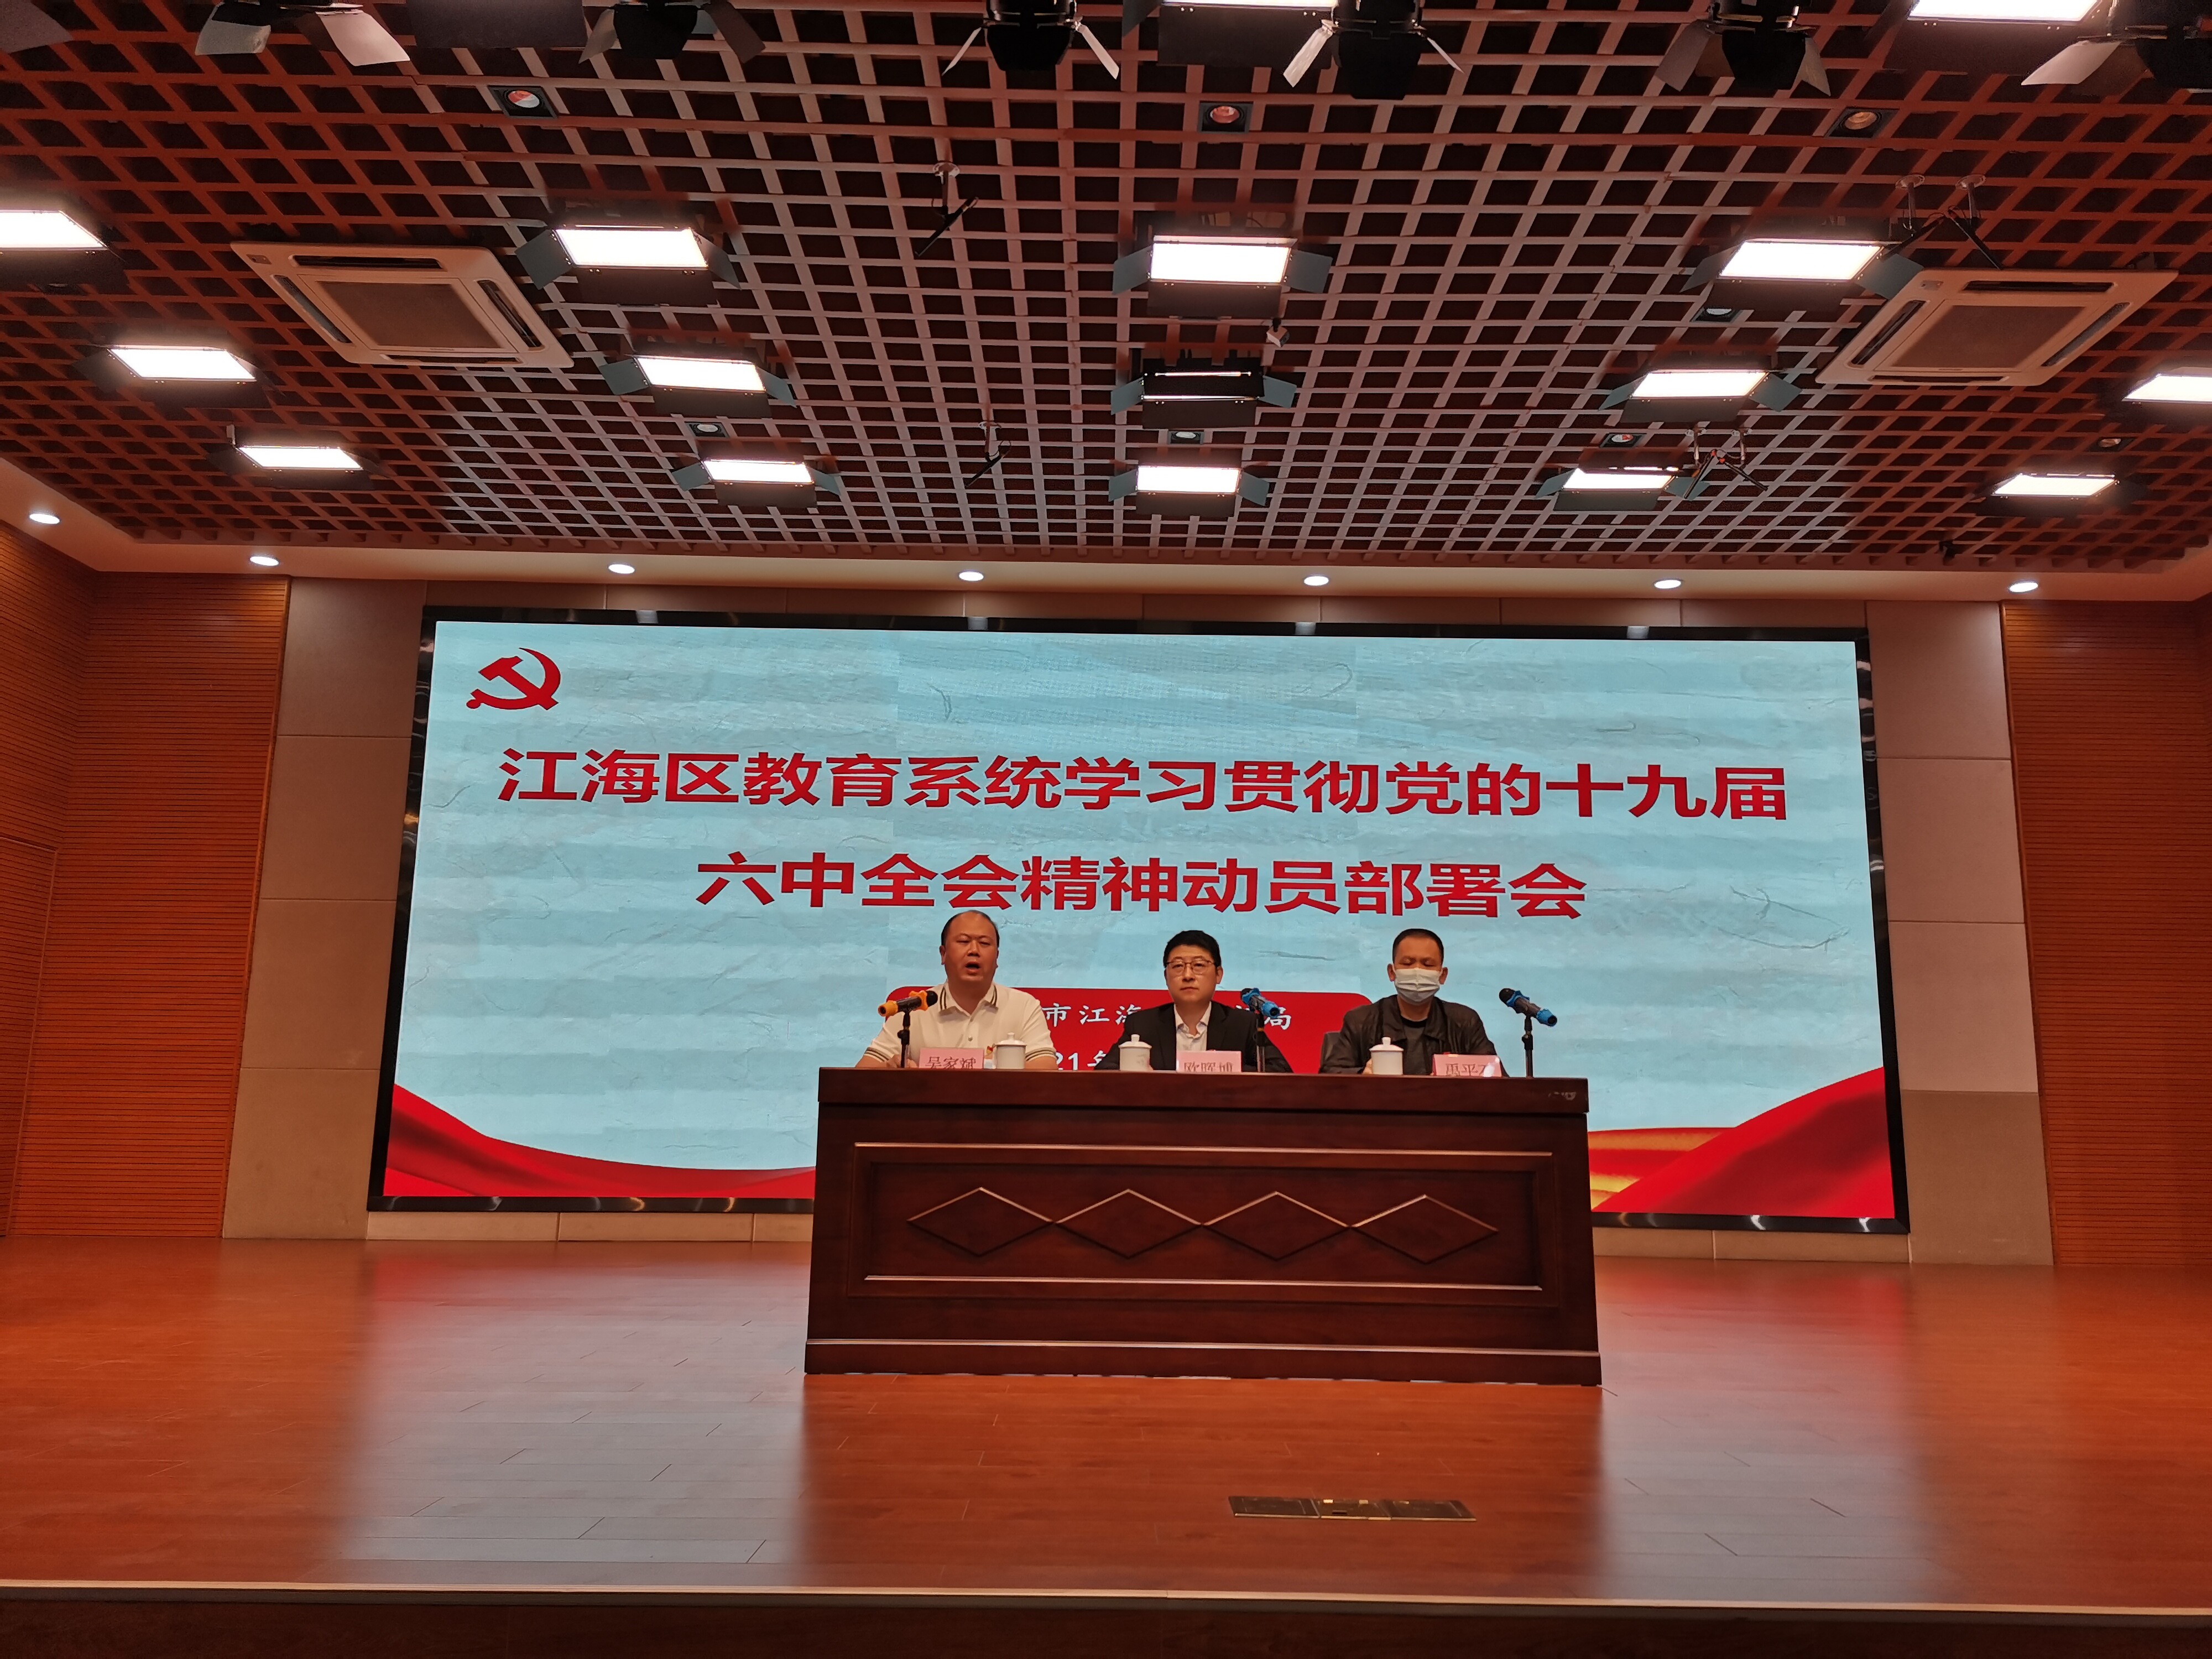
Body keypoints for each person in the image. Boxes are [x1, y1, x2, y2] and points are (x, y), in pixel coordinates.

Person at [856, 910, 1058, 1069]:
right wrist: (889, 1070)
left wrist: (990, 1067)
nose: (974, 951)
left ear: (997, 957)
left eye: (984, 943)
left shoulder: (1023, 1006)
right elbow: (863, 1071)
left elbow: (1046, 1068)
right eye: (963, 941)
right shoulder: (915, 1009)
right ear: (943, 954)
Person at [1093, 928, 1291, 1073]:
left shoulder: (1242, 1024)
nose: (1188, 975)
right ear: (1166, 976)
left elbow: (1281, 1071)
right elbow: (1104, 1073)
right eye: (1178, 966)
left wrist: (1223, 1067)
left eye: (1199, 965)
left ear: (1218, 974)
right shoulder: (1144, 1025)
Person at [1319, 928, 1497, 1076]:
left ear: (1442, 975)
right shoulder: (1361, 1020)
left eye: (1428, 965)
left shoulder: (1464, 1022)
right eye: (1407, 963)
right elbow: (1330, 1076)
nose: (1417, 971)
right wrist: (1362, 1076)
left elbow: (1495, 1076)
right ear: (1392, 972)